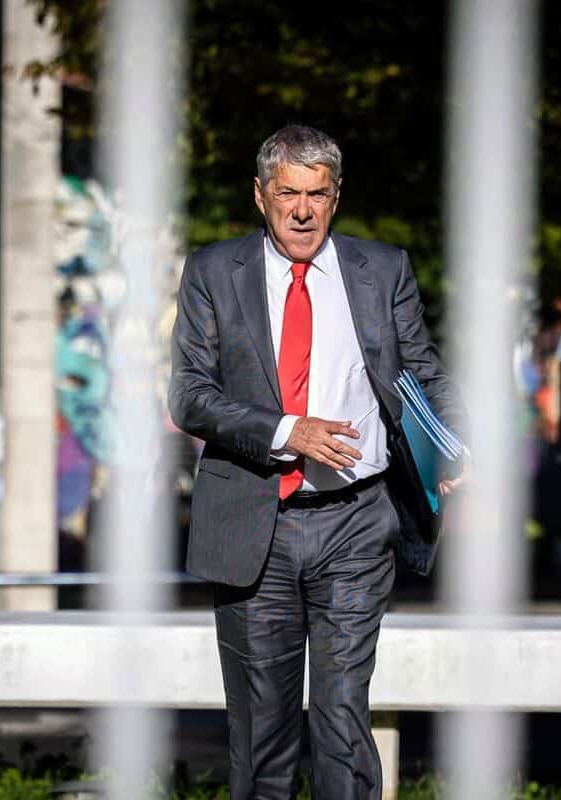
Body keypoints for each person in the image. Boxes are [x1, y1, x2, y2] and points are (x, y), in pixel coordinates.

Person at [168, 124, 465, 800]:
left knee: (342, 715)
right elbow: (189, 395)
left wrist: (455, 443)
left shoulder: (382, 270)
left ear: (336, 197)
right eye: (288, 194)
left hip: (356, 525)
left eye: (317, 194)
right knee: (263, 732)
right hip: (255, 523)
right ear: (260, 195)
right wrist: (288, 431)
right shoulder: (214, 272)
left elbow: (422, 370)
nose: (302, 210)